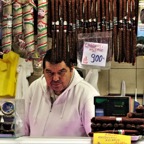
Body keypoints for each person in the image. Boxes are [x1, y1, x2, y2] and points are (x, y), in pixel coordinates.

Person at [24, 49, 100, 137]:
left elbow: (96, 137)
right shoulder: (34, 88)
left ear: (71, 69)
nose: (55, 78)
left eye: (61, 72)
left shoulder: (87, 95)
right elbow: (23, 129)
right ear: (43, 71)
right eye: (49, 73)